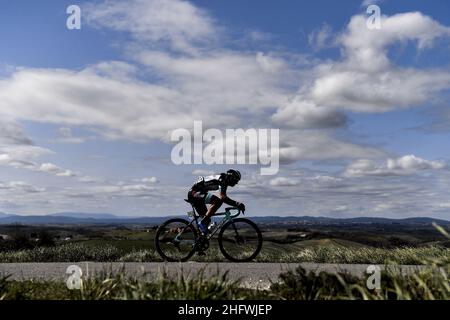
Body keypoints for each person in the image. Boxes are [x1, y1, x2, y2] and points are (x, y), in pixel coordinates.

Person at [187, 169, 245, 234]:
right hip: (194, 193)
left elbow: (223, 196)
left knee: (207, 219)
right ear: (230, 177)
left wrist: (236, 204)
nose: (236, 183)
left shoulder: (223, 180)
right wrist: (237, 204)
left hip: (195, 194)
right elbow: (223, 197)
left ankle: (199, 239)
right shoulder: (222, 179)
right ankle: (202, 224)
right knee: (217, 201)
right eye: (235, 180)